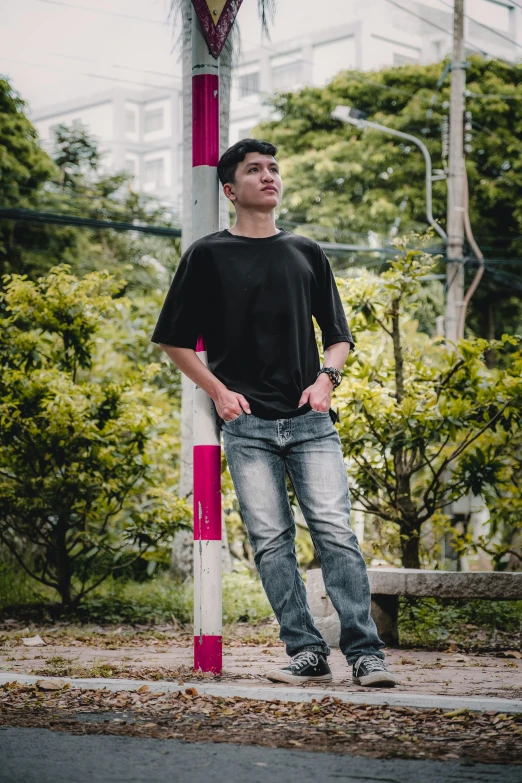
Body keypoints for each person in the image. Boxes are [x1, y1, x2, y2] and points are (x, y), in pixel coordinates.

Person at [151, 138, 398, 688]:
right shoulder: (206, 255)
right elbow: (173, 339)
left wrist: (326, 381)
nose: (269, 177)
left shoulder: (305, 251)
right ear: (229, 189)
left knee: (336, 533)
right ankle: (306, 651)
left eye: (273, 169)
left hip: (310, 421)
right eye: (254, 170)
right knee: (271, 542)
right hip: (247, 426)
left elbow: (339, 338)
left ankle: (365, 654)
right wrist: (218, 391)